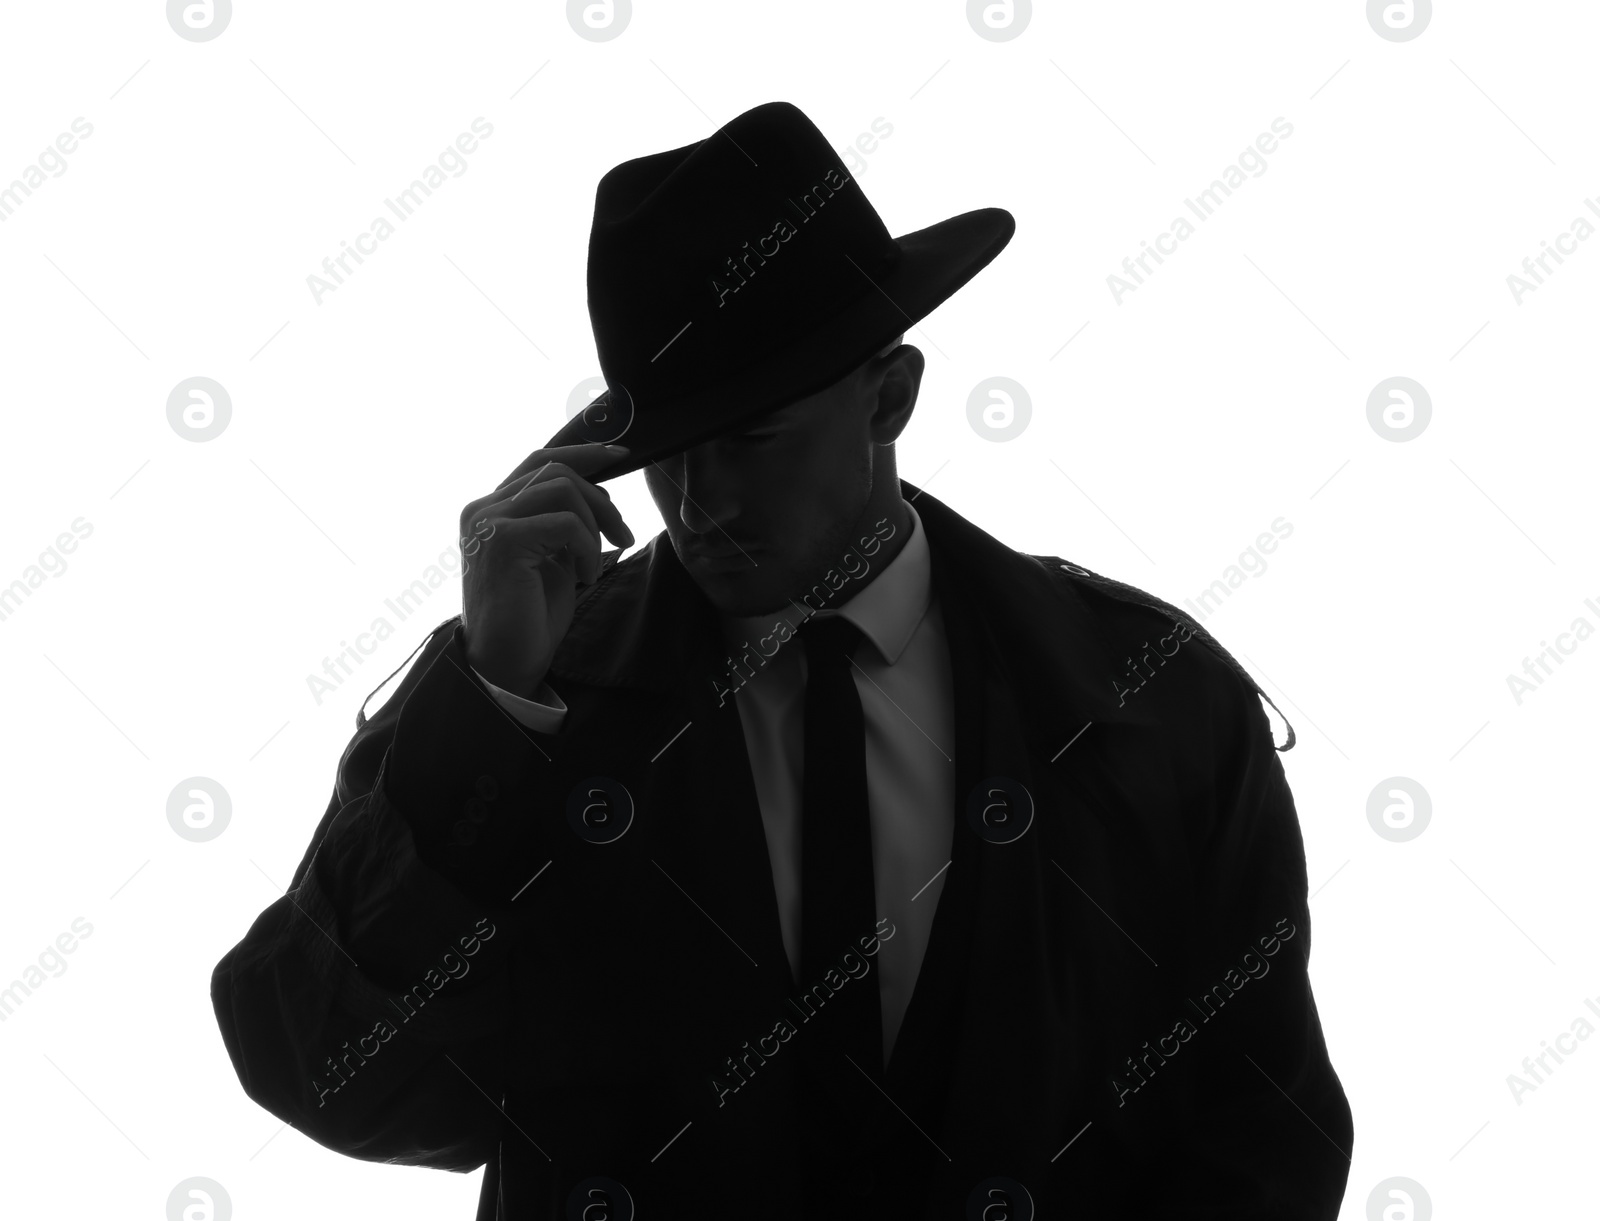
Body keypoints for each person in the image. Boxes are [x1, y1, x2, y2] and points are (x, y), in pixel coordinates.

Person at [211, 101, 1352, 1220]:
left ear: (891, 398)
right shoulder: (530, 703)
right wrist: (492, 711)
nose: (700, 503)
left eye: (751, 439)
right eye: (666, 453)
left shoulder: (1148, 697)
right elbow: (336, 1080)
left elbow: (1259, 1133)